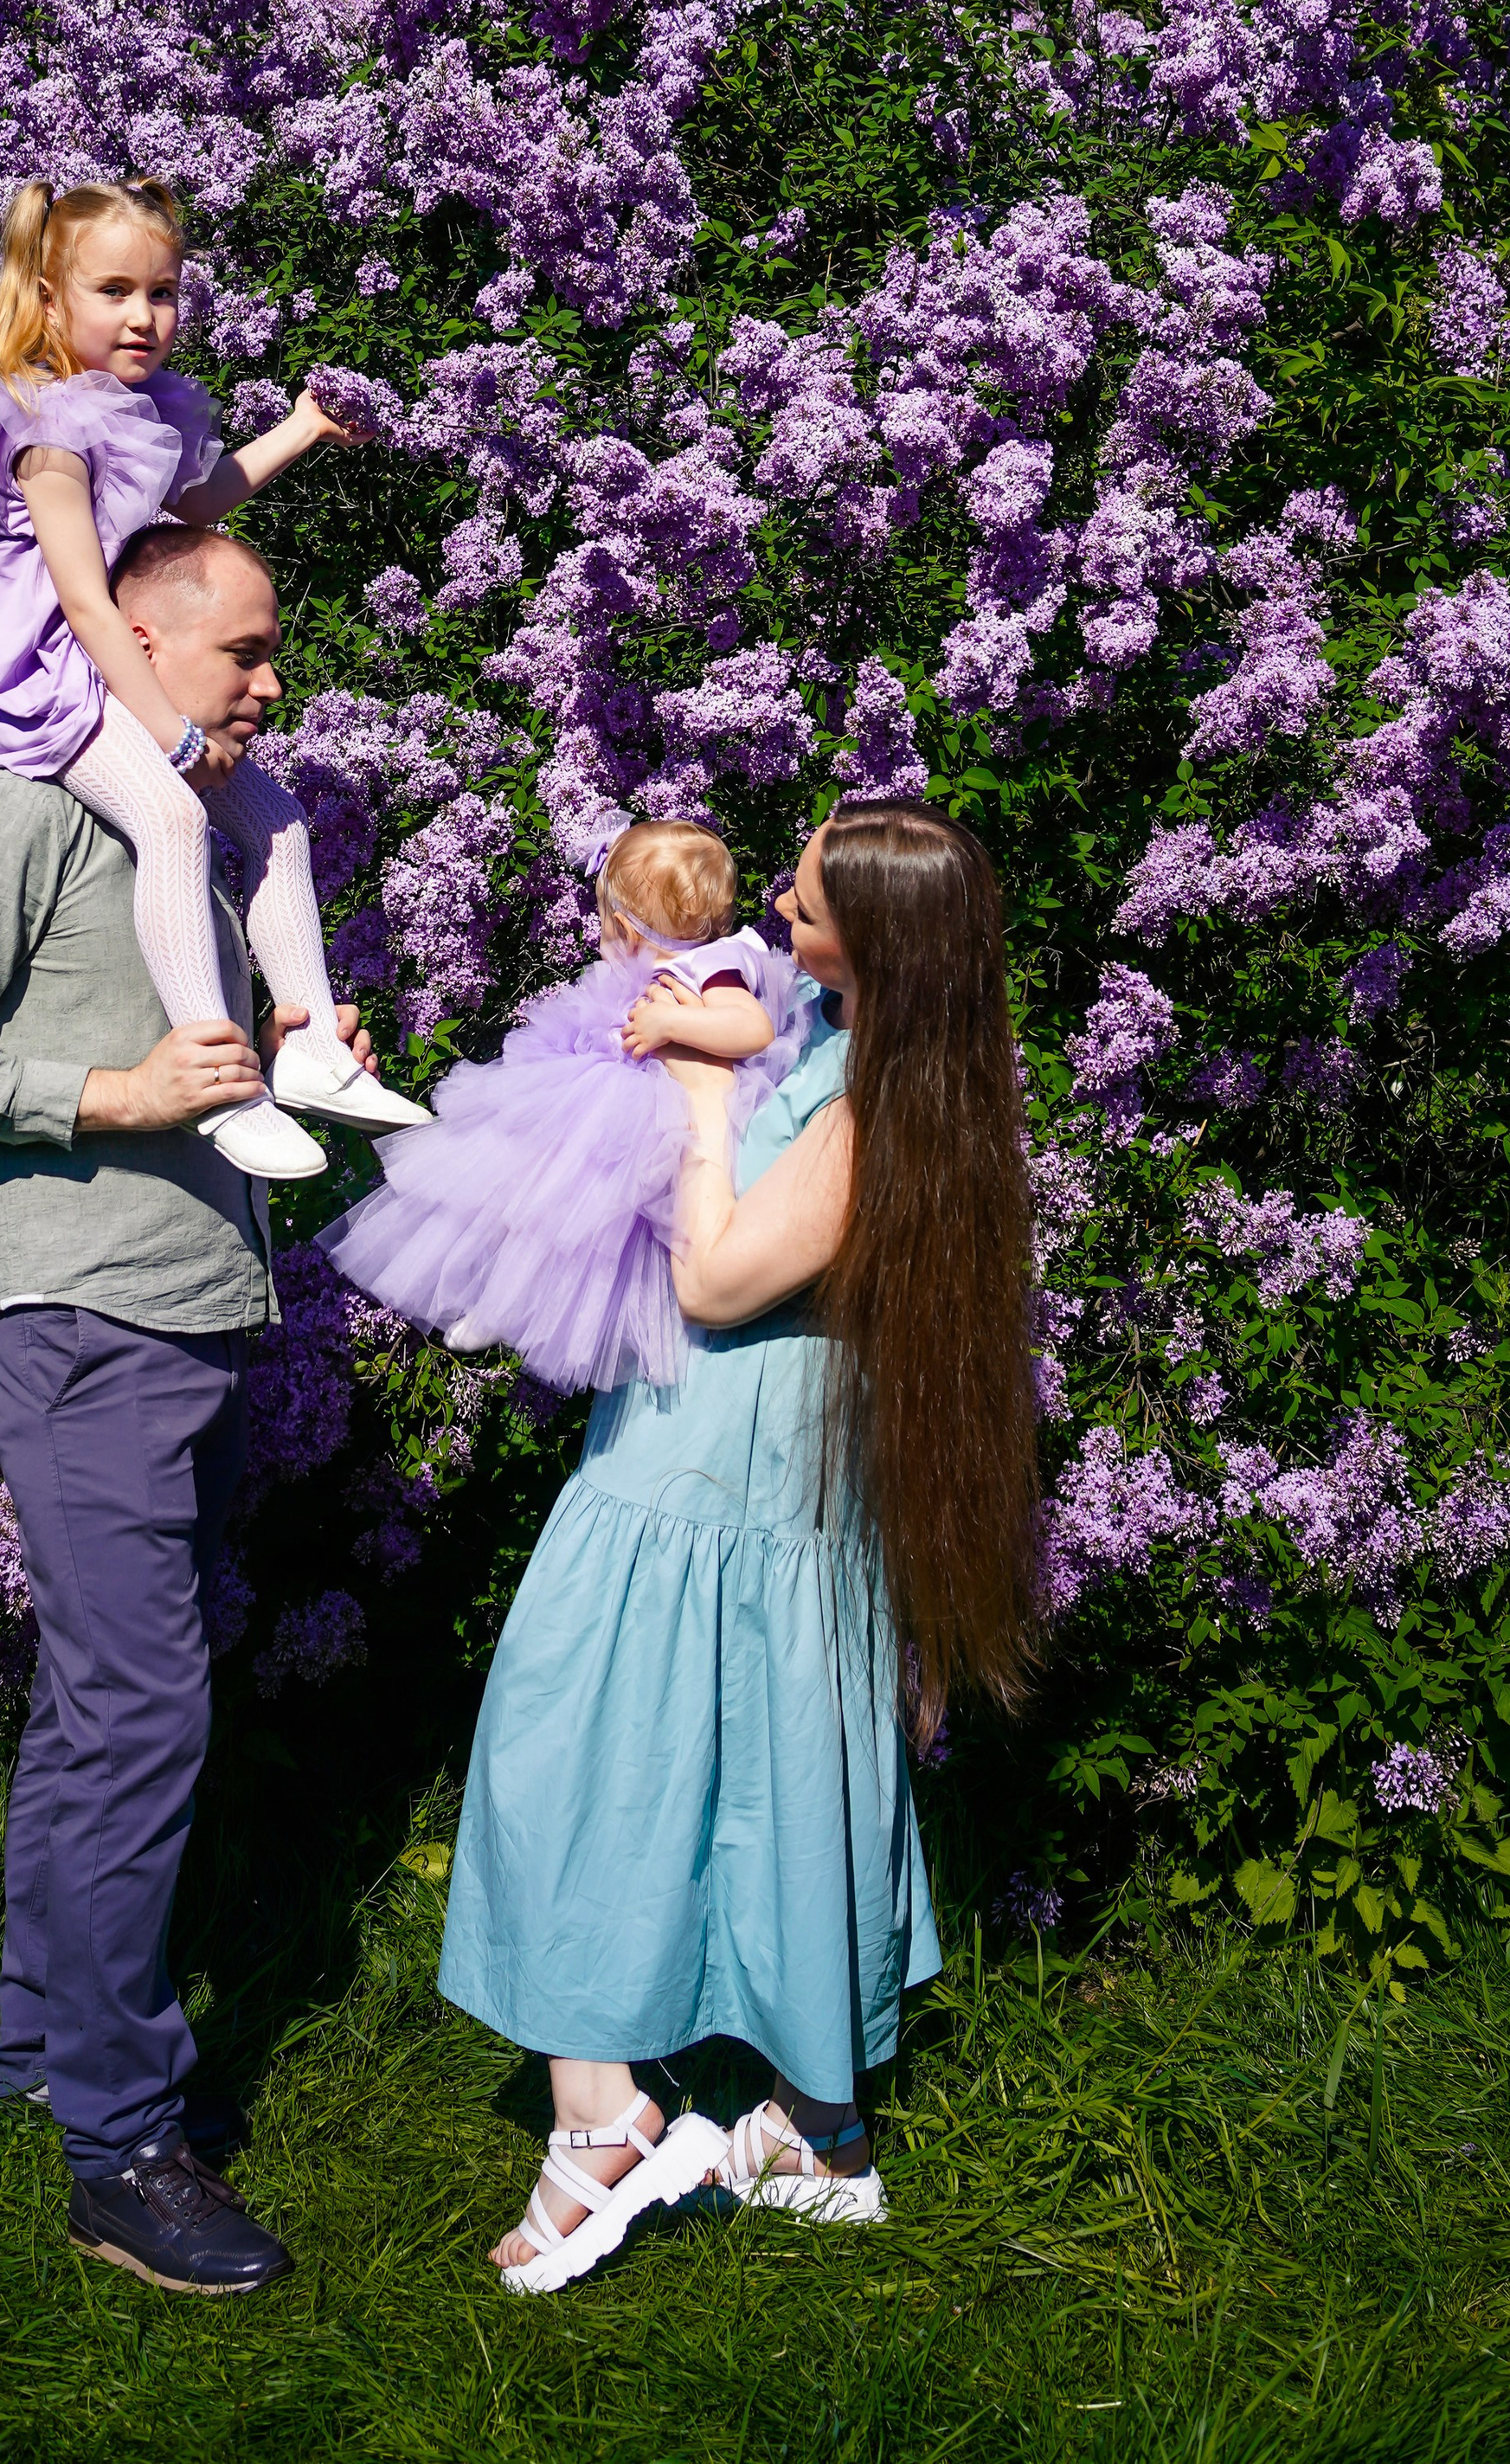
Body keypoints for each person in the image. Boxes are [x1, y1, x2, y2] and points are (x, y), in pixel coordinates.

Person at [0, 526, 372, 2297]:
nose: (270, 683)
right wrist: (114, 1091)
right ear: (133, 637)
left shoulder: (204, 835)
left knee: (98, 1706)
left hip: (186, 1312)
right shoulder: (21, 814)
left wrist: (313, 1055)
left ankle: (35, 2048)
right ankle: (123, 2147)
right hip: (73, 1314)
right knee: (141, 1712)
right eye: (243, 653)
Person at [434, 801, 1044, 2293]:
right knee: (784, 1781)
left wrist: (707, 1089)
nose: (773, 903)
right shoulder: (865, 1053)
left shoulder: (875, 1106)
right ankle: (816, 2134)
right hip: (768, 1480)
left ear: (876, 941)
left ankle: (607, 2122)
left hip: (710, 1470)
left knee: (563, 1753)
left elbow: (714, 1280)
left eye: (805, 896)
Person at [0, 171, 430, 1181]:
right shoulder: (46, 438)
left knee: (276, 821)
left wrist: (303, 427)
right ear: (46, 303)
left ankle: (313, 1054)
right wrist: (167, 729)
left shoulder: (140, 411)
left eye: (162, 293)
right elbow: (82, 601)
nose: (144, 316)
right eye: (113, 291)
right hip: (46, 674)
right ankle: (220, 1084)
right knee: (173, 818)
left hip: (113, 661)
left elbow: (199, 503)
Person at [317, 819, 811, 1394]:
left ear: (624, 929)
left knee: (584, 1225)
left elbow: (749, 1029)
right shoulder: (663, 961)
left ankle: (508, 1306)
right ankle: (493, 1295)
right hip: (604, 1086)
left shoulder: (713, 965)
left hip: (650, 1112)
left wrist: (671, 1020)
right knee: (520, 1178)